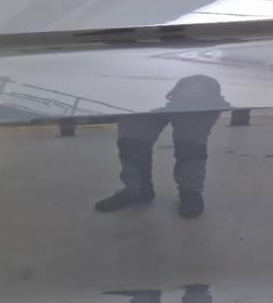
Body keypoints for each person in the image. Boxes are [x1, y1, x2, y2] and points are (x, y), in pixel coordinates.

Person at [95, 75, 229, 218]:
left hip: (200, 98)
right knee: (131, 142)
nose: (194, 91)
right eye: (192, 89)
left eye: (198, 89)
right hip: (144, 91)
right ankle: (137, 190)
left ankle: (190, 192)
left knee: (191, 145)